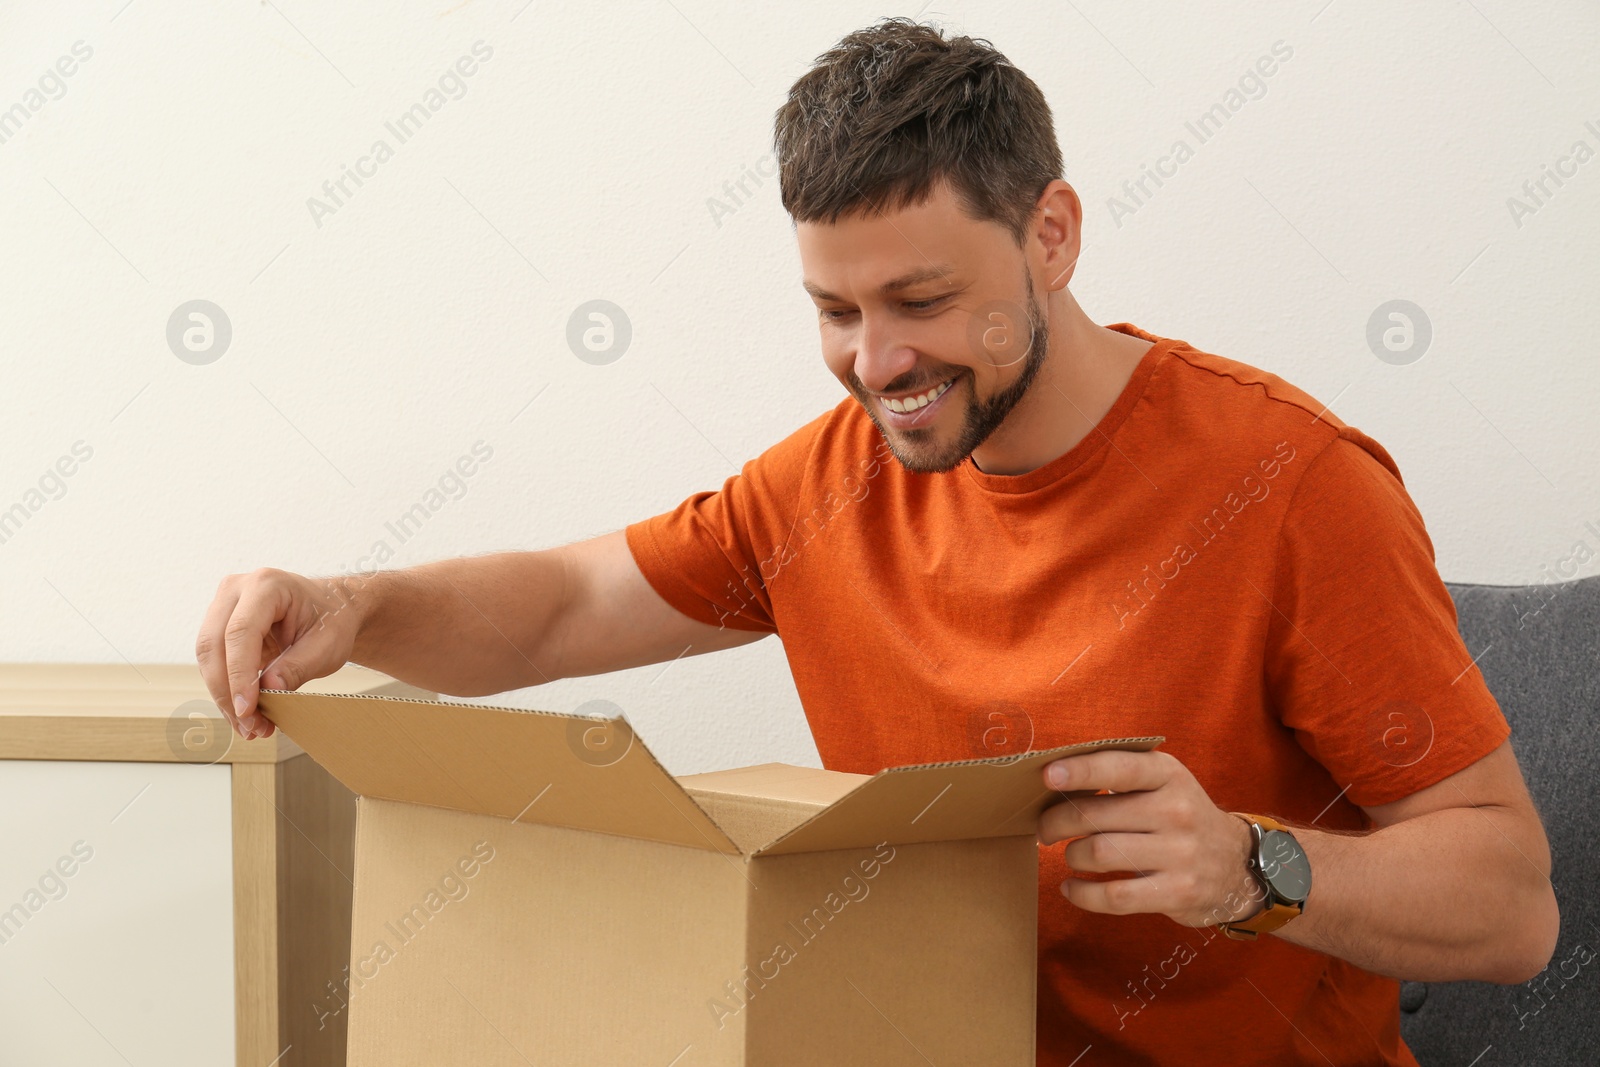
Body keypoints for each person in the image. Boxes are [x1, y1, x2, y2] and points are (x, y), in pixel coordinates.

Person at [195, 18, 1557, 1066]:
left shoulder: (1293, 487)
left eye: (921, 298)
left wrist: (1250, 869)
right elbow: (563, 607)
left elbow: (1511, 907)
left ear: (1054, 236)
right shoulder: (833, 481)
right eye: (836, 312)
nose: (877, 362)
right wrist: (352, 605)